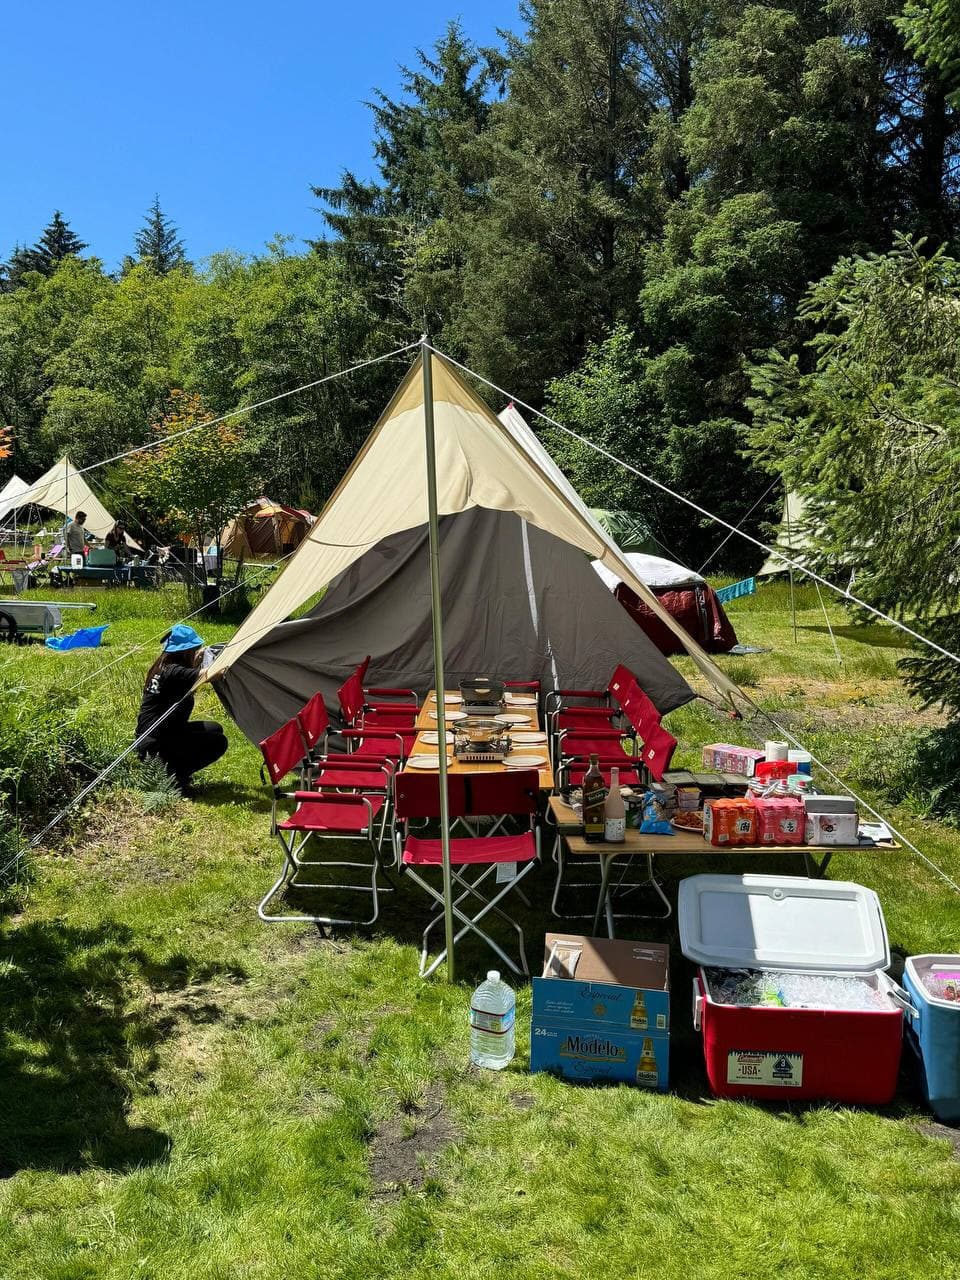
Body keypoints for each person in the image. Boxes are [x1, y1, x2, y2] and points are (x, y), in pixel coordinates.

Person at [136, 625, 228, 793]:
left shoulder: (162, 666)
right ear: (185, 653)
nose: (196, 653)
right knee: (219, 743)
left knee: (215, 728)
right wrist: (227, 660)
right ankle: (175, 777)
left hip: (156, 735)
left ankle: (174, 768)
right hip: (156, 744)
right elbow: (213, 674)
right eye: (194, 650)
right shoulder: (174, 672)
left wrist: (199, 658)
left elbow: (188, 674)